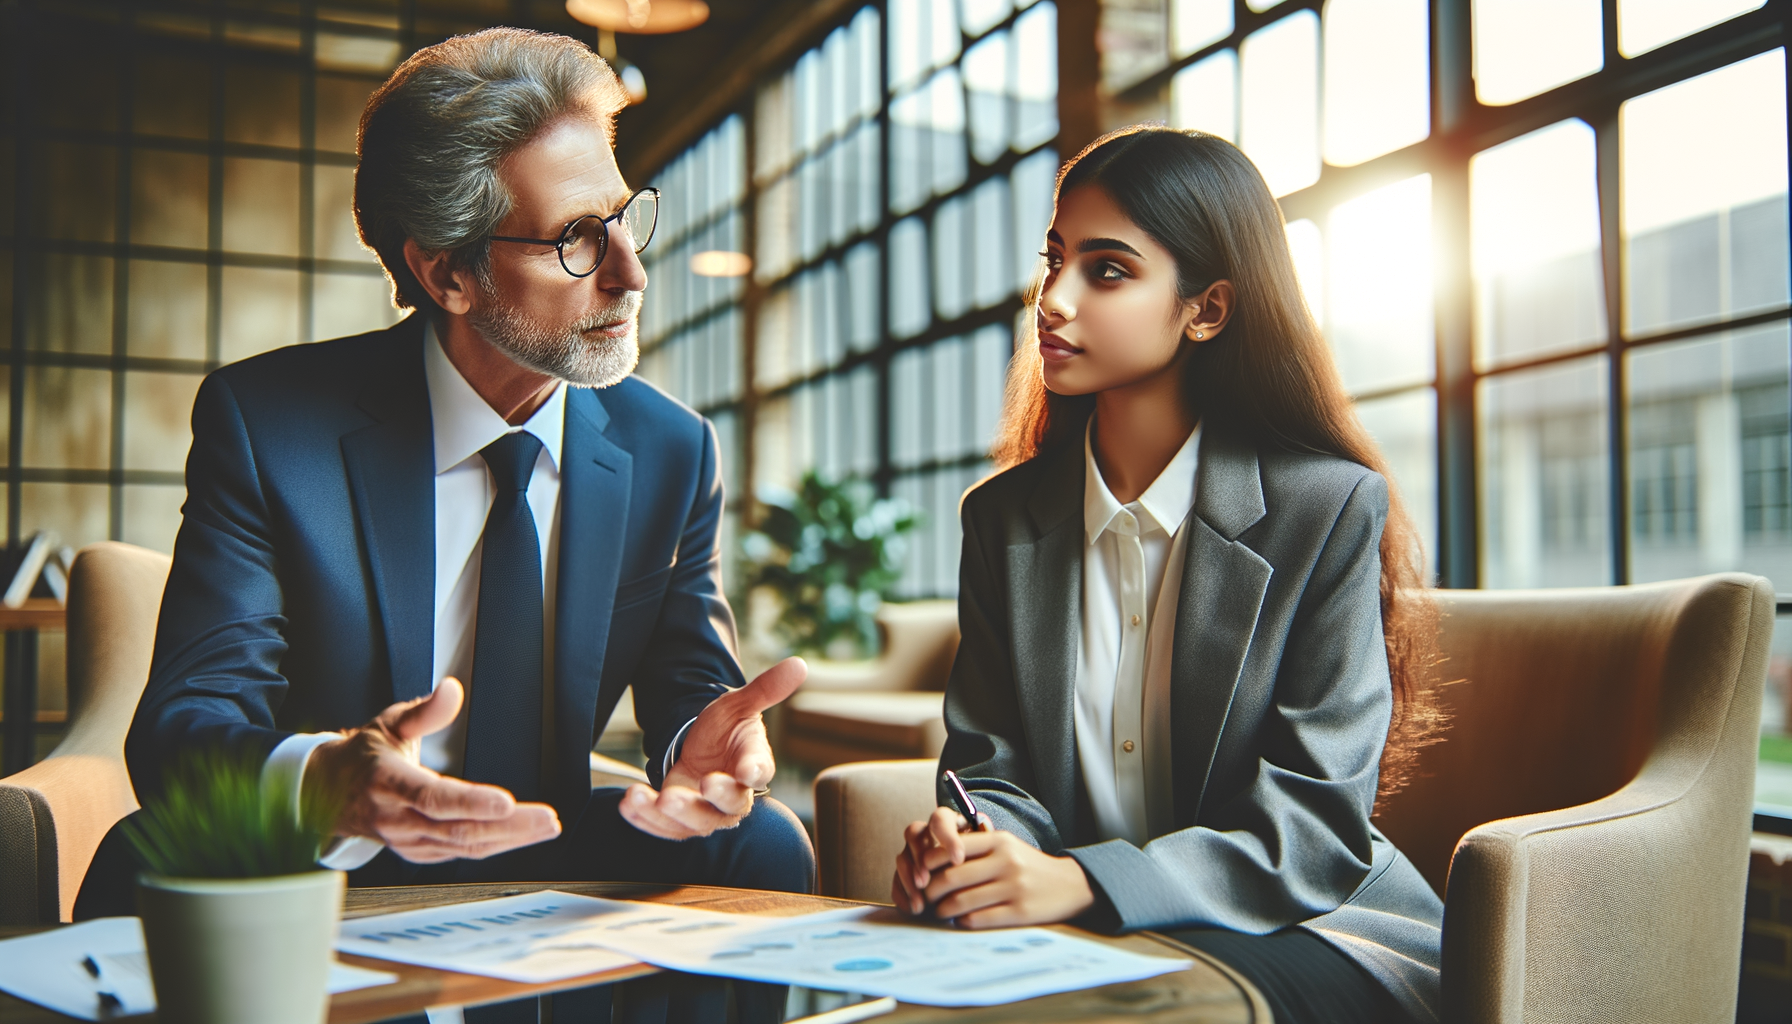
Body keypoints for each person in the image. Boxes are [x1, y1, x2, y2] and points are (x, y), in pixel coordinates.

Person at [78, 28, 813, 1023]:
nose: (632, 274)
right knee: (138, 859)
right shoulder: (270, 425)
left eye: (626, 219)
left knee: (764, 842)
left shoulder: (670, 448)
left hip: (556, 826)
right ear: (447, 276)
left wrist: (705, 748)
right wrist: (325, 780)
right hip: (337, 850)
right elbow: (182, 729)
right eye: (577, 239)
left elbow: (691, 679)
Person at [890, 125, 1449, 1024]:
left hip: (1312, 926)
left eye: (1106, 271)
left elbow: (1309, 825)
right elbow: (990, 764)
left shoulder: (1327, 508)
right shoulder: (1001, 519)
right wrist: (977, 844)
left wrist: (1077, 881)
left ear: (1208, 309)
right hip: (1084, 934)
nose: (1053, 301)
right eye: (1055, 259)